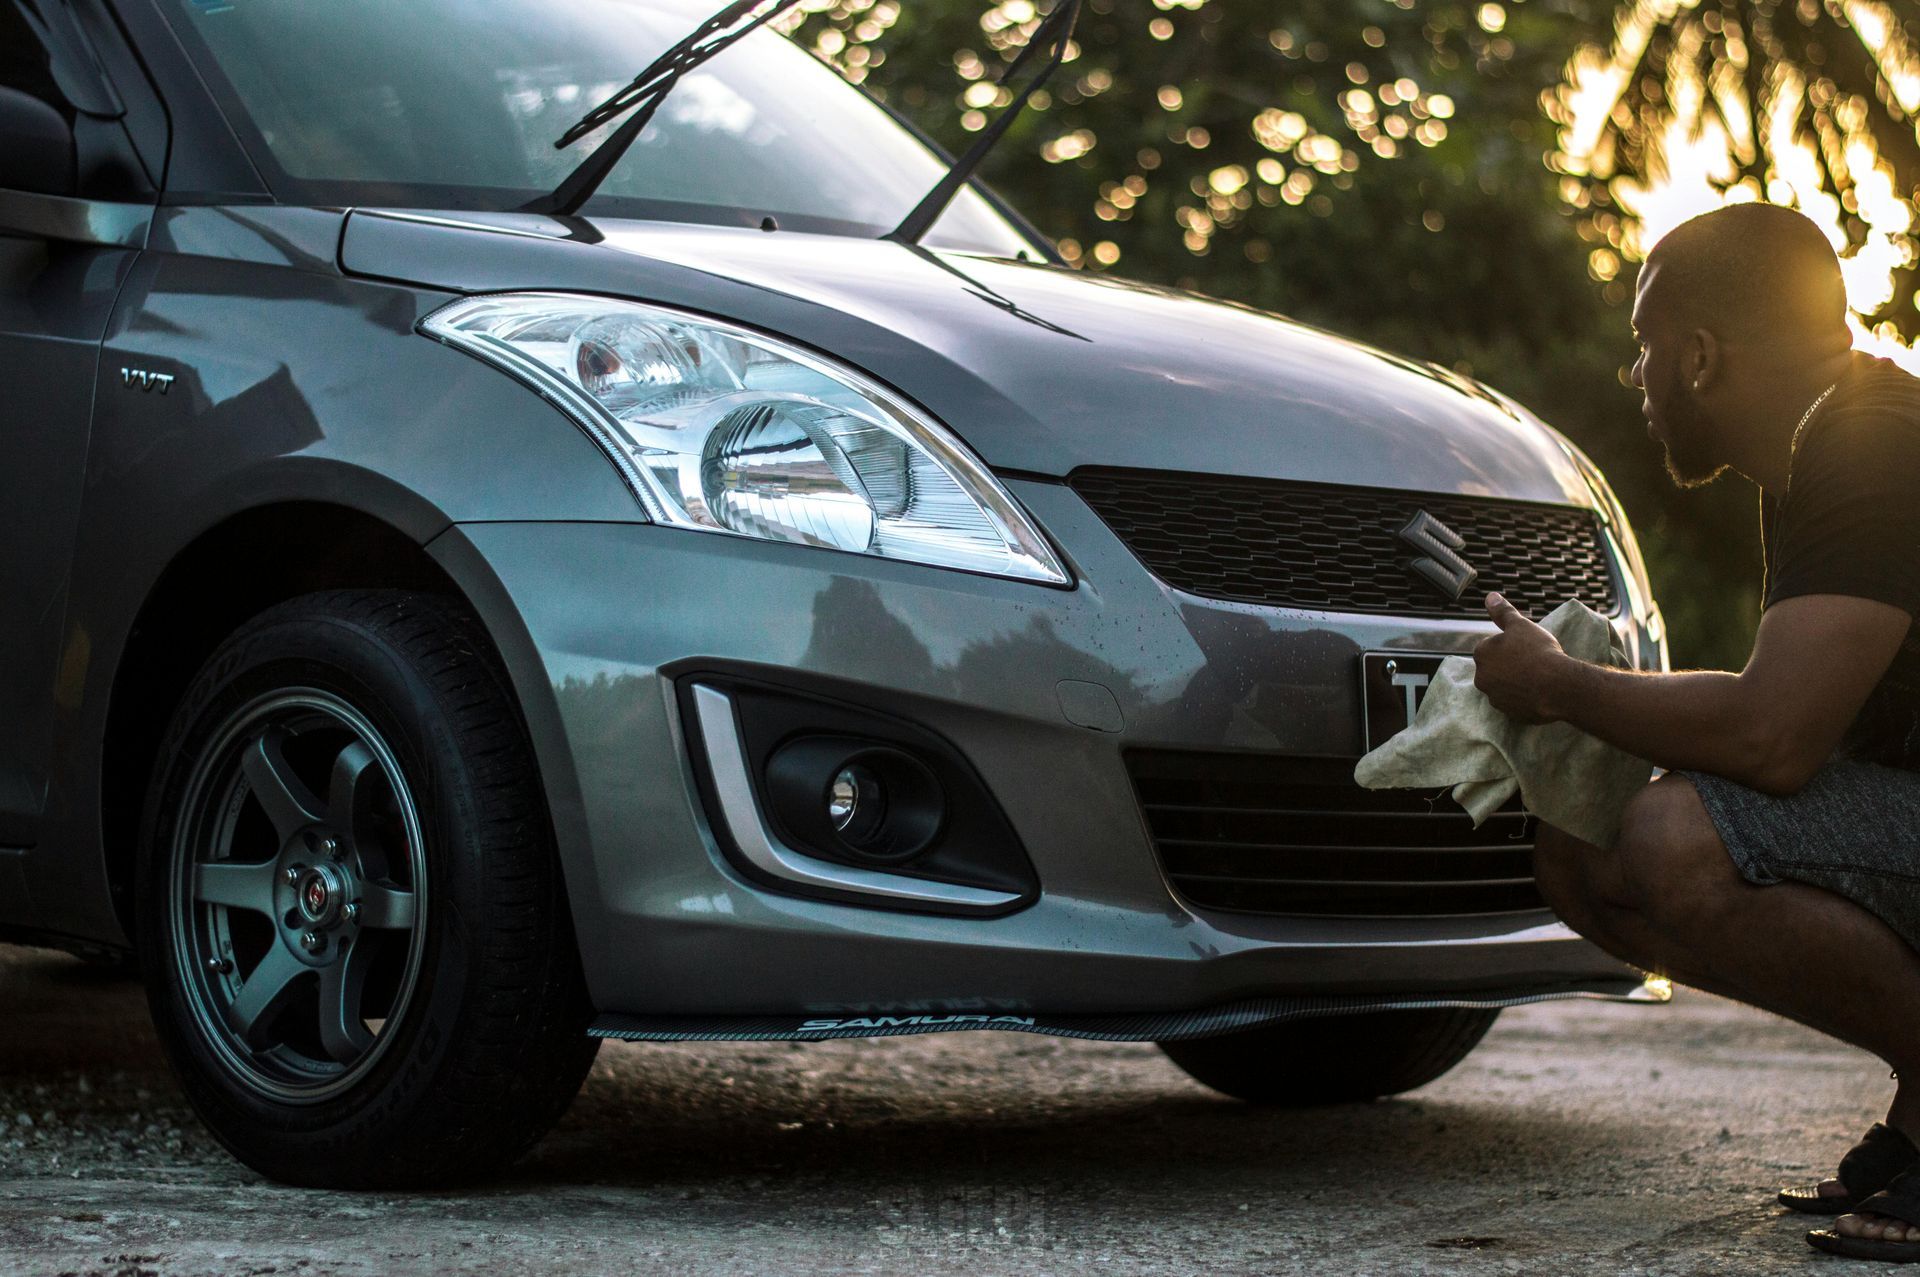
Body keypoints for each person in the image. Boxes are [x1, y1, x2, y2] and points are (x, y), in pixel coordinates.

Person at [1471, 201, 1920, 1264]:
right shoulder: (1832, 440)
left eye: (1645, 348)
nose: (1638, 378)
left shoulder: (1869, 444)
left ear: (1703, 356)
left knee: (1674, 836)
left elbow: (1776, 736)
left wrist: (1565, 685)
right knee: (1585, 853)